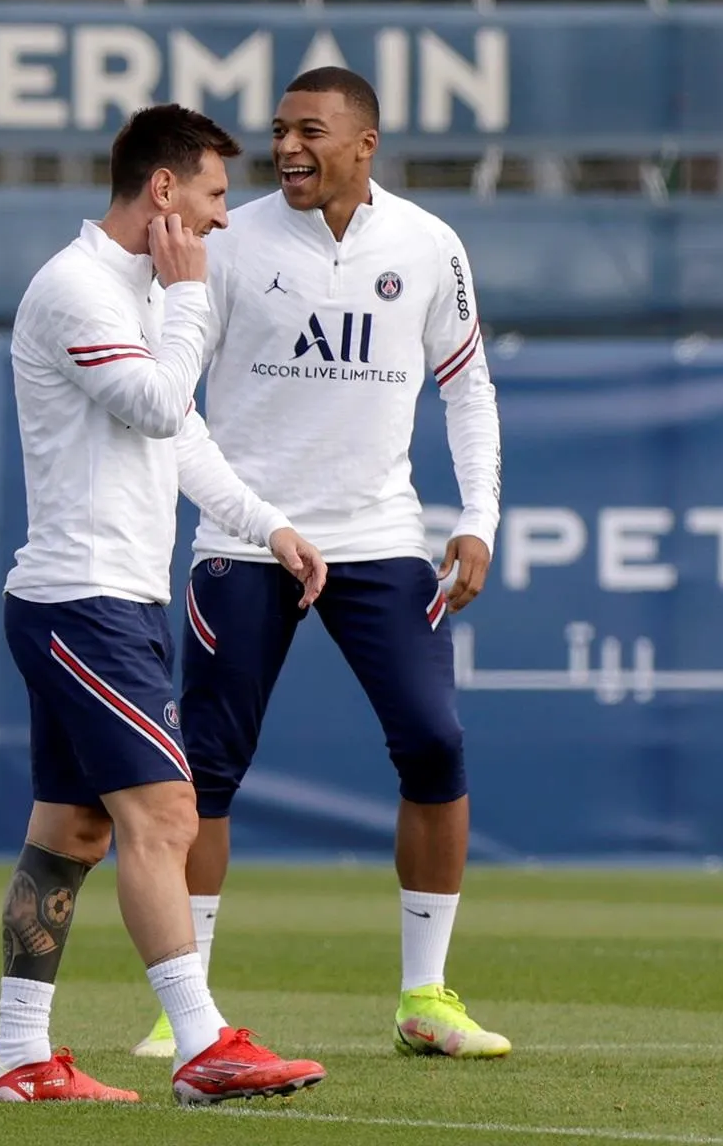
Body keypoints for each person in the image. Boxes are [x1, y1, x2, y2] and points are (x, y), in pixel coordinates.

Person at [131, 67, 509, 1063]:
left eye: (311, 131)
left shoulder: (428, 244)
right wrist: (237, 513)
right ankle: (187, 1006)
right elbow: (172, 393)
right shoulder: (232, 239)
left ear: (364, 143)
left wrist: (479, 517)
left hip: (382, 536)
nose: (289, 147)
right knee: (206, 773)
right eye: (278, 131)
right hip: (245, 540)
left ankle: (425, 995)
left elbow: (467, 391)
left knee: (434, 744)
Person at [0, 103, 330, 1107]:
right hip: (79, 602)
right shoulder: (76, 286)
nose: (227, 217)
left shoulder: (137, 290)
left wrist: (267, 525)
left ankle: (18, 1055)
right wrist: (187, 302)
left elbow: (179, 440)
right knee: (168, 812)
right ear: (165, 189)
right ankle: (202, 1040)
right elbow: (154, 402)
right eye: (218, 193)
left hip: (108, 600)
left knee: (73, 833)